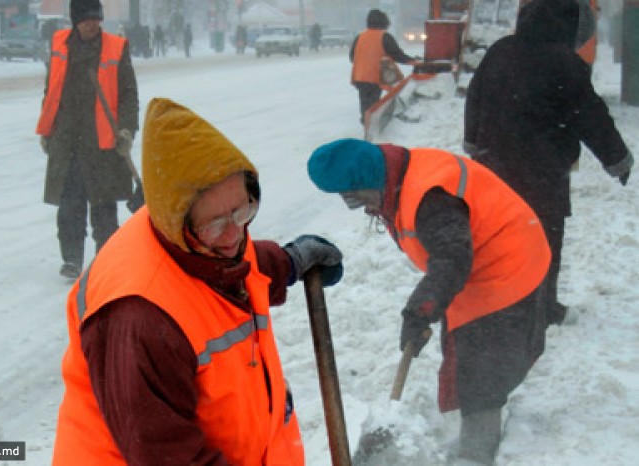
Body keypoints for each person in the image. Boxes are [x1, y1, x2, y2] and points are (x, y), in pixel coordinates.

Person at [51, 98, 344, 465]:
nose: (235, 235)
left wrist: (289, 261)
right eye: (216, 225)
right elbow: (169, 457)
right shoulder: (138, 318)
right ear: (179, 221)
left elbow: (235, 266)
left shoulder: (203, 236)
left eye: (243, 211)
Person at [307, 138, 551, 466]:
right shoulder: (398, 177)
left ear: (370, 178)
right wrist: (427, 308)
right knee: (467, 351)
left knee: (481, 371)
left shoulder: (428, 197)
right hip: (483, 259)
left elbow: (451, 258)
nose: (364, 209)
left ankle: (476, 454)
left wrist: (421, 309)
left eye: (355, 198)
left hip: (507, 263)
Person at [464, 0, 633, 325]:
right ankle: (542, 308)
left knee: (499, 235)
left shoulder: (500, 51)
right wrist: (618, 160)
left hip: (494, 166)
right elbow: (592, 117)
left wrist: (473, 142)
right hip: (543, 171)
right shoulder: (565, 63)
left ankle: (498, 302)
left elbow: (475, 97)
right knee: (543, 239)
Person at [36, 0, 139, 279]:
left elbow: (129, 94)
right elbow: (51, 89)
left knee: (103, 204)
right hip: (67, 137)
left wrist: (127, 130)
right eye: (85, 19)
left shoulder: (116, 47)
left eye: (95, 18)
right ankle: (71, 259)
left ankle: (105, 259)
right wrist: (48, 129)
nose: (91, 24)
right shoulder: (60, 44)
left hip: (102, 140)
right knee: (70, 203)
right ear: (75, 20)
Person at [350, 9, 416, 124]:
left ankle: (367, 123)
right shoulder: (384, 37)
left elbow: (352, 57)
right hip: (375, 77)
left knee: (366, 104)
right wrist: (414, 61)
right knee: (374, 104)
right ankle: (372, 126)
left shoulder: (360, 37)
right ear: (384, 22)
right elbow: (398, 55)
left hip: (360, 77)